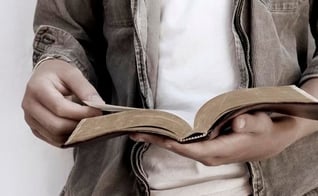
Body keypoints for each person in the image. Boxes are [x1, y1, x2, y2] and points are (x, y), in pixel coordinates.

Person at [22, 0, 318, 195]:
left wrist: (290, 127)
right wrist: (53, 65)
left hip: (294, 185)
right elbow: (67, 27)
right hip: (112, 185)